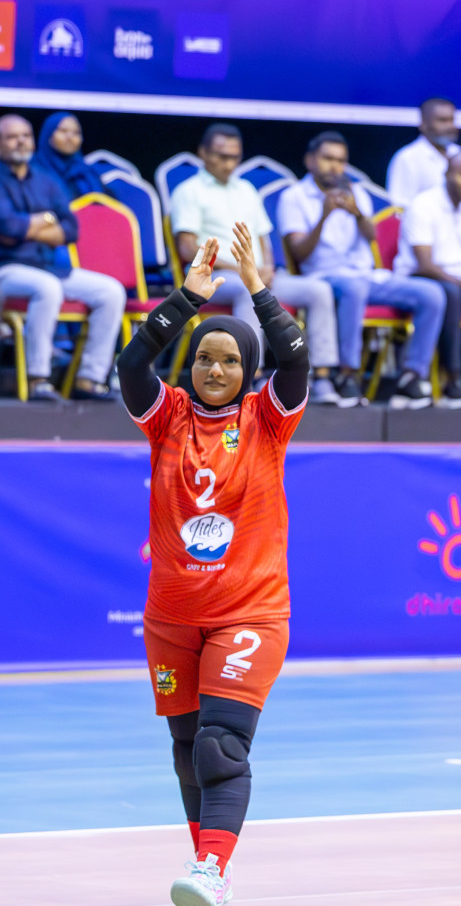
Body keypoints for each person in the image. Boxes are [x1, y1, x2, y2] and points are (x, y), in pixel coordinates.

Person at [116, 223, 307, 906]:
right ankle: (208, 868)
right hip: (170, 617)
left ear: (247, 369)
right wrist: (184, 303)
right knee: (185, 747)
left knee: (220, 747)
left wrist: (256, 287)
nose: (217, 370)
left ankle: (213, 870)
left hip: (248, 613)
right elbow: (133, 367)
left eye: (230, 361)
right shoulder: (165, 415)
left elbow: (294, 358)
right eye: (205, 359)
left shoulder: (268, 418)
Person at [170, 123, 344, 405]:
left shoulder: (247, 189)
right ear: (203, 153)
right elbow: (188, 249)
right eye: (221, 156)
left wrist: (268, 268)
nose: (229, 163)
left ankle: (322, 376)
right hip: (216, 278)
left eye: (235, 157)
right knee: (245, 290)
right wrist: (244, 271)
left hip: (258, 275)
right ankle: (254, 375)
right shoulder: (188, 191)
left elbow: (264, 239)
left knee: (318, 290)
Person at [276, 131, 444, 410]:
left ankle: (412, 375)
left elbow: (371, 237)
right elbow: (298, 252)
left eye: (341, 161)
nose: (335, 167)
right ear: (310, 161)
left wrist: (356, 212)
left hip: (367, 276)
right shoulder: (294, 197)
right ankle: (346, 374)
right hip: (322, 276)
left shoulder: (357, 191)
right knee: (354, 288)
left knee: (432, 294)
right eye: (328, 159)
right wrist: (324, 216)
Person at [0, 113, 125, 401]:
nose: (21, 141)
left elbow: (70, 229)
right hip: (8, 269)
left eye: (25, 135)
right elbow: (7, 228)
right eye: (11, 136)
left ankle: (89, 379)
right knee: (48, 288)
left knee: (110, 291)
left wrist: (30, 225)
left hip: (46, 266)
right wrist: (46, 221)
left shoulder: (45, 180)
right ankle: (38, 379)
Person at [393, 149, 461, 410]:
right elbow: (425, 265)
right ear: (447, 174)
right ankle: (453, 378)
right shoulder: (423, 204)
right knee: (449, 293)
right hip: (417, 280)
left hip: (459, 283)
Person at [386, 98, 461, 208]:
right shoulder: (408, 158)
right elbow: (399, 207)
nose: (450, 126)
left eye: (452, 120)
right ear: (424, 124)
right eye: (443, 120)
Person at [31, 112, 105, 200]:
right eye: (63, 131)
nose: (70, 137)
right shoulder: (32, 171)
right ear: (48, 135)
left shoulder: (88, 174)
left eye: (76, 133)